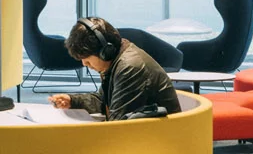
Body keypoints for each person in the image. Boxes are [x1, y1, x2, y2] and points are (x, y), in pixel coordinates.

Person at [50, 17, 180, 121]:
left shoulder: (130, 67)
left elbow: (117, 125)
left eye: (87, 58)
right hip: (149, 134)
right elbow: (104, 101)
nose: (84, 64)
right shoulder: (116, 59)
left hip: (160, 139)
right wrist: (73, 101)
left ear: (104, 51)